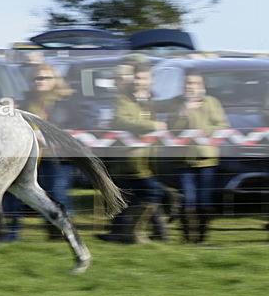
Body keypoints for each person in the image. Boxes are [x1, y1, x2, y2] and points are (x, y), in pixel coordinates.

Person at [2, 64, 75, 242]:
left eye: (45, 78)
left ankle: (62, 234)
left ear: (54, 80)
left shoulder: (64, 103)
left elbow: (68, 126)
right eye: (37, 78)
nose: (40, 82)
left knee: (56, 193)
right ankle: (10, 233)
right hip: (28, 159)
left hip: (56, 159)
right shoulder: (26, 103)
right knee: (14, 193)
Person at [96, 63, 167, 244]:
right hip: (129, 158)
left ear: (151, 80)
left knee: (128, 197)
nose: (139, 82)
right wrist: (152, 126)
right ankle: (133, 232)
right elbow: (120, 120)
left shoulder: (152, 100)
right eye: (137, 77)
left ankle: (118, 234)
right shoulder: (122, 99)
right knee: (152, 192)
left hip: (148, 157)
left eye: (143, 78)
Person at [166, 69, 229, 243]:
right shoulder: (175, 104)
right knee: (188, 200)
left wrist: (203, 133)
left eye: (195, 83)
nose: (191, 87)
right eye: (188, 83)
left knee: (204, 200)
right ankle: (187, 239)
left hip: (206, 160)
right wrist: (182, 113)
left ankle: (201, 238)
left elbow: (222, 125)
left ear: (202, 85)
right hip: (183, 161)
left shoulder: (212, 103)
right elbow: (171, 129)